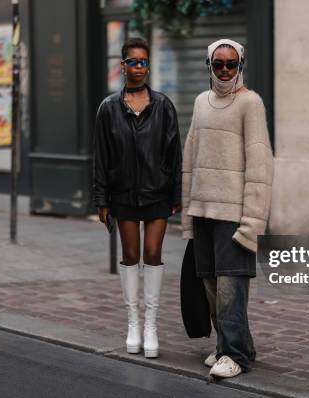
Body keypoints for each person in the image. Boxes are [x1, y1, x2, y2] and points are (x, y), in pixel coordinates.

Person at [181, 38, 273, 378]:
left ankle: (234, 354)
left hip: (233, 212)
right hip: (203, 208)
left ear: (240, 65)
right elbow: (190, 157)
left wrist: (252, 221)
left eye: (230, 64)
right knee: (209, 284)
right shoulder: (200, 102)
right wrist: (188, 212)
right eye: (217, 63)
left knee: (230, 285)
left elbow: (260, 165)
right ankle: (231, 346)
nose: (223, 70)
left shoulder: (251, 103)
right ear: (208, 65)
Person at [93, 37, 182, 359]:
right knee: (131, 254)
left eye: (144, 61)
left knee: (154, 252)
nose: (139, 67)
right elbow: (100, 157)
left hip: (157, 192)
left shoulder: (163, 105)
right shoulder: (108, 108)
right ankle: (133, 323)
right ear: (123, 66)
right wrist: (101, 199)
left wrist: (176, 193)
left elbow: (175, 153)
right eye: (133, 61)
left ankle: (151, 325)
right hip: (123, 194)